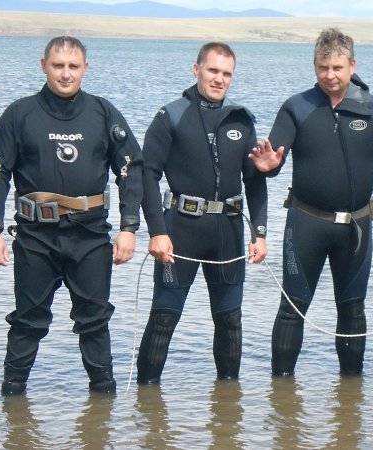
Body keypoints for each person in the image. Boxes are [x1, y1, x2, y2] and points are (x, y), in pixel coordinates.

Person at [0, 36, 143, 395]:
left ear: (85, 68)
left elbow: (131, 170)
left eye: (73, 66)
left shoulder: (102, 113)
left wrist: (129, 227)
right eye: (58, 65)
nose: (65, 74)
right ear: (44, 65)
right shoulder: (20, 114)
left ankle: (103, 405)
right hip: (35, 237)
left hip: (89, 236)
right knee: (28, 321)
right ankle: (12, 403)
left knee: (95, 323)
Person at [250, 28, 373, 376]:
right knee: (292, 308)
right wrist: (269, 166)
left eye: (337, 68)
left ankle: (351, 393)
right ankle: (280, 392)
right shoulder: (297, 107)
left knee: (353, 310)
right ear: (315, 65)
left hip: (356, 226)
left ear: (352, 65)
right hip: (307, 223)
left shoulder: (372, 108)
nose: (329, 75)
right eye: (322, 68)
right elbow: (274, 157)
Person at [137, 42, 268, 384]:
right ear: (196, 70)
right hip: (181, 230)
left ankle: (228, 404)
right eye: (213, 71)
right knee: (164, 318)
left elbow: (255, 181)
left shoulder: (241, 120)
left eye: (226, 74)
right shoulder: (171, 115)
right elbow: (146, 175)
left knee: (230, 320)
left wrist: (260, 233)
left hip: (228, 233)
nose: (219, 79)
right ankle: (146, 400)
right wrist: (156, 231)